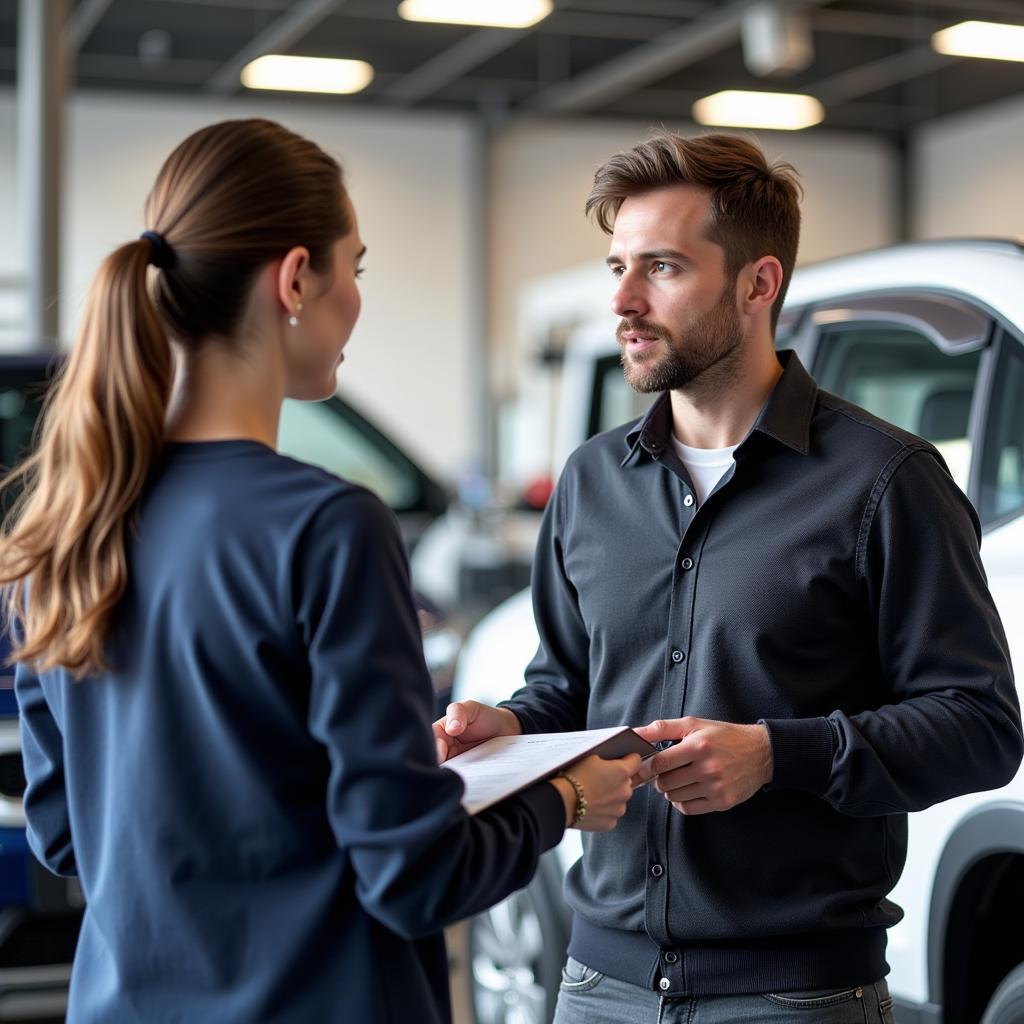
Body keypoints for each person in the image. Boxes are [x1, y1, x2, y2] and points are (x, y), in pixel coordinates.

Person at [0, 118, 641, 1024]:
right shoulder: (327, 526)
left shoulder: (57, 532)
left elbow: (69, 836)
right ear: (296, 278)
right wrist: (562, 799)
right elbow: (414, 875)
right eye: (358, 267)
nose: (357, 298)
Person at [435, 132, 1023, 1023]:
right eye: (619, 267)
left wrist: (778, 754)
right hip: (599, 987)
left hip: (797, 994)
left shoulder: (887, 481)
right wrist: (508, 728)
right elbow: (569, 687)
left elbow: (980, 728)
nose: (624, 301)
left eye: (662, 267)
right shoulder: (591, 483)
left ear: (759, 284)